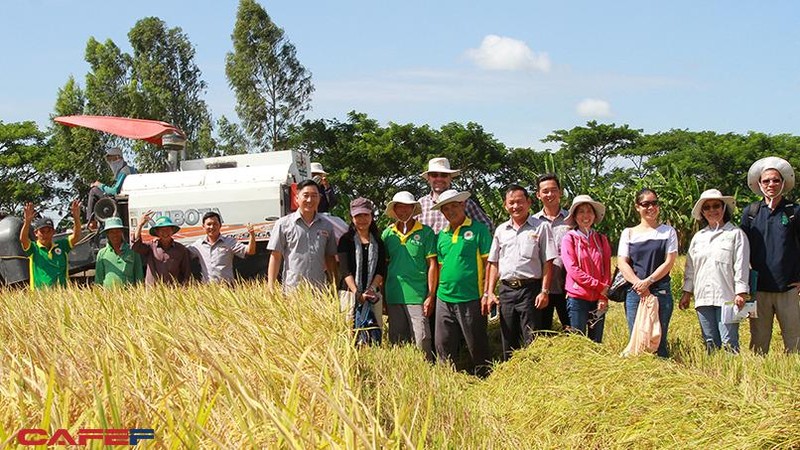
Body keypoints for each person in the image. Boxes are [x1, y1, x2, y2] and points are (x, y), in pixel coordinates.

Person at [484, 185, 557, 360]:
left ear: (529, 202)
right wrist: (489, 292)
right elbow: (493, 263)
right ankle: (510, 374)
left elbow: (548, 262)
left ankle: (532, 373)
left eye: (519, 202)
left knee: (531, 336)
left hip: (530, 290)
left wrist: (544, 291)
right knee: (508, 336)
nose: (516, 206)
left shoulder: (541, 227)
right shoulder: (501, 230)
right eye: (511, 203)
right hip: (507, 290)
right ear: (505, 205)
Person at [740, 157, 800, 354]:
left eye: (775, 180)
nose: (771, 184)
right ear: (759, 184)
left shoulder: (794, 212)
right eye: (766, 181)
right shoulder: (751, 213)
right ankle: (759, 381)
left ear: (783, 183)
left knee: (794, 341)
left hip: (789, 289)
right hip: (759, 290)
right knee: (758, 342)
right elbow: (741, 251)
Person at [680, 189, 750, 353]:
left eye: (716, 206)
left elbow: (741, 264)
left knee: (729, 342)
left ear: (724, 207)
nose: (712, 210)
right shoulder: (698, 237)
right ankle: (714, 376)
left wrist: (741, 292)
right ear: (702, 212)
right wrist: (687, 292)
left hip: (728, 296)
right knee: (710, 341)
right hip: (703, 297)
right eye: (707, 207)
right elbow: (691, 267)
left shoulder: (736, 234)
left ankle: (732, 376)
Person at [432, 189, 492, 377]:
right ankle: (446, 377)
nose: (450, 211)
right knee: (442, 343)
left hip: (471, 297)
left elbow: (488, 264)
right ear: (442, 213)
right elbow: (440, 266)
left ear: (463, 205)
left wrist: (487, 293)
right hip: (444, 297)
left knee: (476, 342)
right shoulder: (441, 235)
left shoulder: (479, 230)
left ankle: (484, 375)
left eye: (454, 206)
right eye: (446, 209)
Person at [617, 188, 678, 357]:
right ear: (637, 207)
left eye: (654, 203)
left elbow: (669, 261)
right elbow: (622, 262)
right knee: (637, 337)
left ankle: (661, 373)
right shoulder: (628, 233)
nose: (651, 207)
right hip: (635, 292)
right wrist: (639, 284)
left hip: (661, 291)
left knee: (658, 338)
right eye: (645, 204)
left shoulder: (668, 232)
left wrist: (648, 282)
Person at [381, 191, 438, 360]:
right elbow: (384, 267)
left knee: (422, 339)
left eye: (408, 207)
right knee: (398, 341)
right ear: (394, 210)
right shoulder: (387, 234)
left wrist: (430, 295)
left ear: (414, 209)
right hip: (394, 294)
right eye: (400, 207)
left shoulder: (426, 232)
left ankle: (426, 373)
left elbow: (432, 265)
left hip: (417, 295)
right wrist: (384, 296)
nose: (404, 211)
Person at [267, 179, 338, 290]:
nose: (310, 200)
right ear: (296, 198)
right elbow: (276, 256)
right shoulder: (283, 224)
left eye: (314, 196)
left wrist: (334, 284)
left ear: (319, 198)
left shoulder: (327, 226)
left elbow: (330, 257)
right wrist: (270, 287)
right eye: (305, 195)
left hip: (319, 291)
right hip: (293, 291)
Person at [560, 195, 612, 343]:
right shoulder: (569, 239)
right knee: (579, 343)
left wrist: (603, 295)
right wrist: (599, 286)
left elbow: (606, 268)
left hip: (599, 298)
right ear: (575, 216)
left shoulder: (601, 239)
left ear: (595, 215)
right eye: (581, 211)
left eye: (589, 211)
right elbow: (572, 269)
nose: (585, 215)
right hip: (577, 298)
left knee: (596, 341)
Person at [337, 198, 387, 343]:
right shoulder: (346, 240)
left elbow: (380, 270)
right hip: (349, 294)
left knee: (374, 334)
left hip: (372, 294)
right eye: (358, 216)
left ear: (372, 216)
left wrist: (371, 290)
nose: (362, 219)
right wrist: (357, 293)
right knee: (349, 334)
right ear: (352, 218)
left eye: (366, 215)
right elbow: (345, 270)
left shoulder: (378, 242)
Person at [532, 174, 570, 331]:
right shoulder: (533, 223)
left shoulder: (572, 219)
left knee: (572, 331)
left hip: (567, 286)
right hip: (541, 287)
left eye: (553, 190)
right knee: (542, 331)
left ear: (560, 192)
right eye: (545, 191)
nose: (549, 195)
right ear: (538, 195)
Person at [417, 157, 493, 233]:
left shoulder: (465, 202)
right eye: (434, 175)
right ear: (428, 178)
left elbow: (487, 228)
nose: (439, 179)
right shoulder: (420, 204)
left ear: (450, 178)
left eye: (444, 175)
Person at [19, 200, 82, 290]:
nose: (46, 235)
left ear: (54, 232)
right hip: (40, 298)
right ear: (36, 233)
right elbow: (23, 239)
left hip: (62, 296)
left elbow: (76, 236)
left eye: (49, 231)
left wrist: (76, 218)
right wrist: (27, 222)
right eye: (42, 231)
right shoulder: (33, 248)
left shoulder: (62, 246)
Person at [189, 211, 256, 283]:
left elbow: (250, 251)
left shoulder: (229, 242)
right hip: (208, 290)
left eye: (215, 224)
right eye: (209, 224)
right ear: (203, 226)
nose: (212, 227)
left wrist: (252, 234)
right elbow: (182, 253)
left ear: (220, 225)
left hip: (227, 288)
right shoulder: (198, 244)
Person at [132, 211, 192, 285]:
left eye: (168, 229)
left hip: (173, 293)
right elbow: (136, 246)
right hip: (153, 293)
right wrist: (139, 225)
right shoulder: (151, 247)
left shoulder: (181, 249)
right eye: (162, 230)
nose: (165, 233)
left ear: (172, 231)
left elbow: (186, 274)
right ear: (157, 232)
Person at [86, 147, 135, 231]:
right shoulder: (128, 169)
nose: (110, 163)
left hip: (122, 200)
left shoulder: (124, 171)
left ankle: (91, 221)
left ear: (118, 158)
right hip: (124, 199)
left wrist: (99, 185)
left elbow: (114, 191)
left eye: (111, 160)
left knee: (94, 191)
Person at [94, 216, 143, 287]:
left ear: (121, 232)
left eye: (117, 231)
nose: (115, 235)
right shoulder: (102, 253)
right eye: (112, 232)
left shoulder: (133, 251)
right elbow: (98, 279)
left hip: (130, 296)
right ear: (107, 234)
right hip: (108, 296)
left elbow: (139, 276)